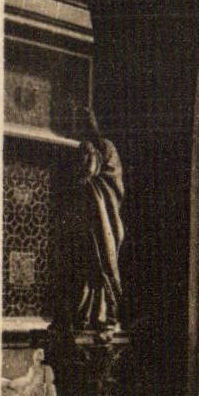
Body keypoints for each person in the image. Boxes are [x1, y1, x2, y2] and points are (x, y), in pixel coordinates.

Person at [71, 108, 125, 331]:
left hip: (105, 218)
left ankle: (107, 315)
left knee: (105, 261)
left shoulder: (105, 148)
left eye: (90, 122)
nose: (88, 127)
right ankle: (89, 314)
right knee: (90, 263)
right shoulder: (90, 148)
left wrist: (86, 175)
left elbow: (101, 175)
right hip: (91, 216)